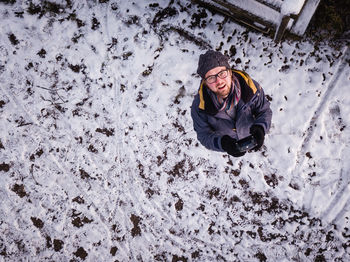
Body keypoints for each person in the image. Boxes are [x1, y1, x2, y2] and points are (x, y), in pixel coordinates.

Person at [191, 50, 272, 157]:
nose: (219, 81)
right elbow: (204, 135)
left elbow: (264, 110)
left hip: (251, 135)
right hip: (231, 144)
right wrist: (222, 144)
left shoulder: (251, 89)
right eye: (211, 77)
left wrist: (261, 127)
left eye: (222, 73)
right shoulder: (199, 108)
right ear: (205, 82)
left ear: (230, 72)